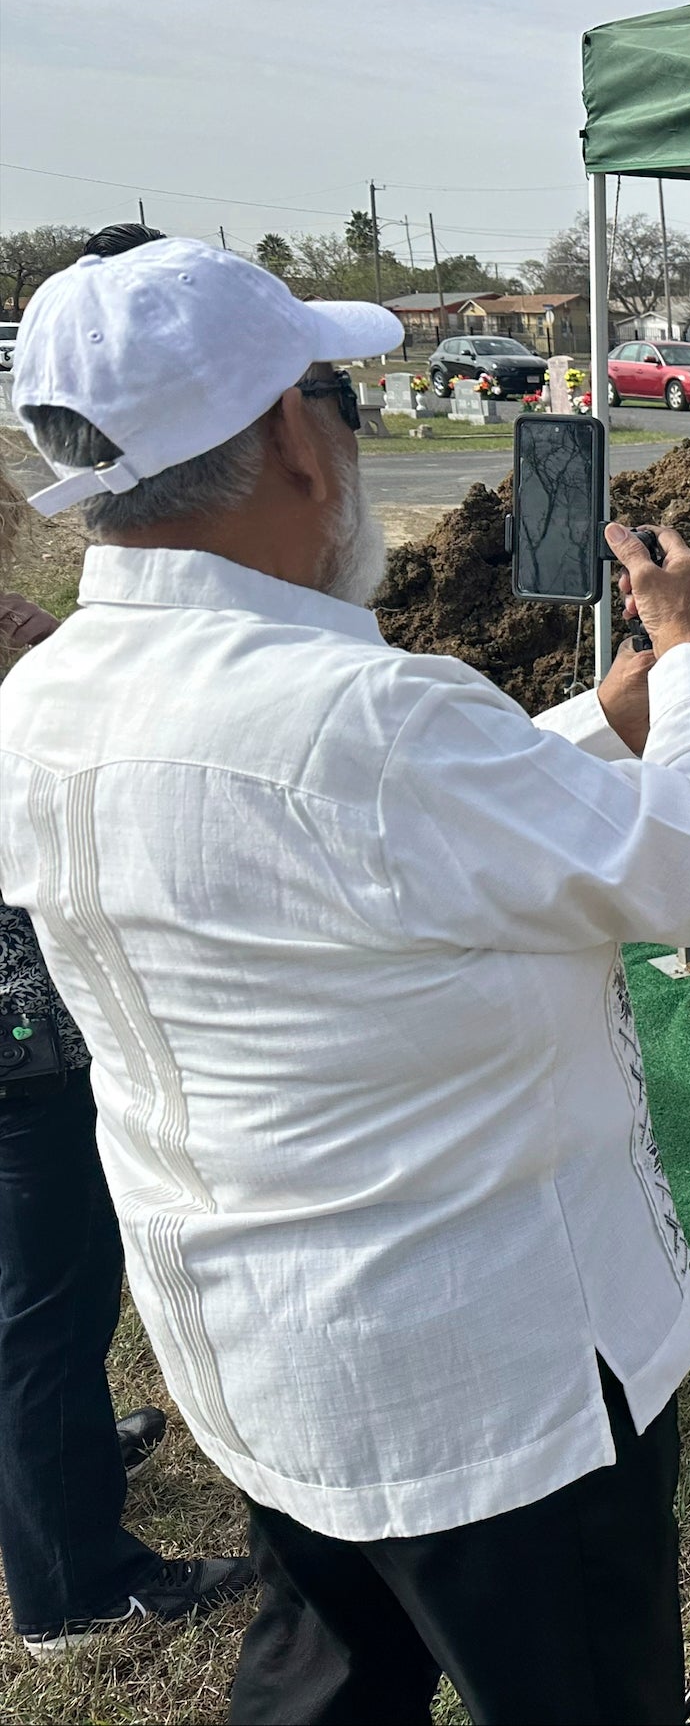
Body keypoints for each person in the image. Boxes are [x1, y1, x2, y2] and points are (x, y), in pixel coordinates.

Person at [1, 236, 690, 1721]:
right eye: (335, 394)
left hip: (278, 1374)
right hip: (503, 1401)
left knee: (325, 1682)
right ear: (292, 432)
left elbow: (346, 847)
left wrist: (597, 724)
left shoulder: (45, 699)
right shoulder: (369, 720)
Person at [0, 217, 254, 1661]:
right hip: (15, 1003)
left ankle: (71, 1453)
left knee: (46, 1277)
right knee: (47, 1283)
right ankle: (74, 1586)